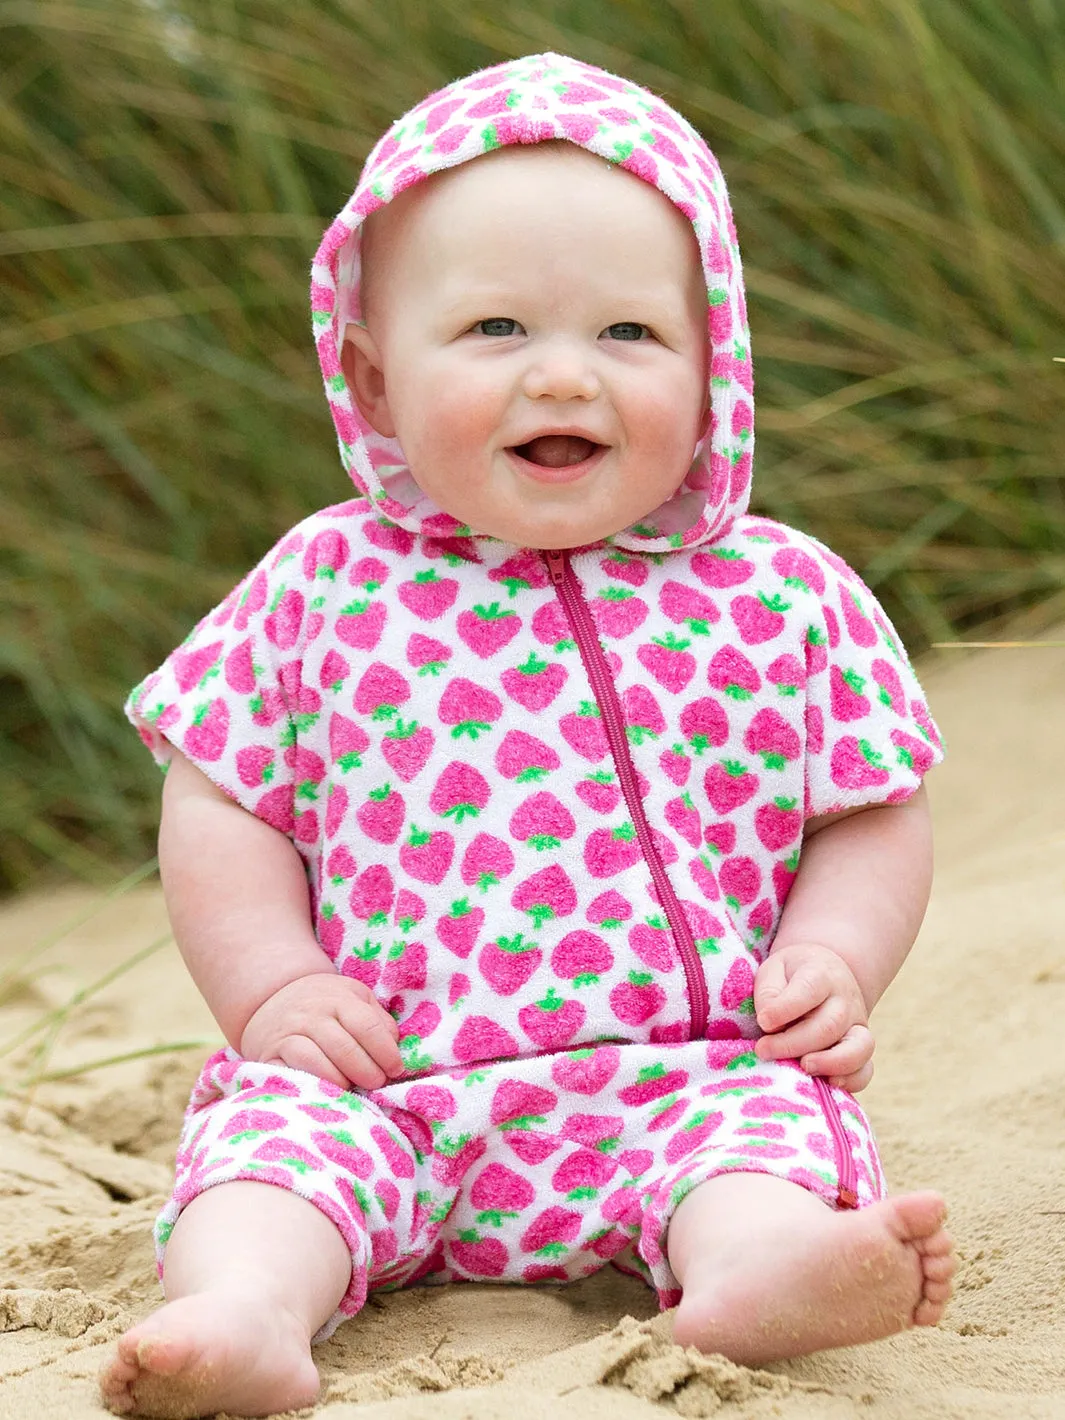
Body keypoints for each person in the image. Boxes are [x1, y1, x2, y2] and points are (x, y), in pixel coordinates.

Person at [101, 51, 954, 1419]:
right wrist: (270, 989)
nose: (565, 376)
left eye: (629, 336)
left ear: (714, 363)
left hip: (685, 1068)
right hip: (386, 1080)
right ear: (372, 381)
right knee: (268, 1155)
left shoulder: (781, 593)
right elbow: (226, 796)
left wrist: (834, 957)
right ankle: (247, 1310)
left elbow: (869, 801)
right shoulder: (321, 587)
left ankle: (757, 1273)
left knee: (761, 1143)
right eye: (496, 330)